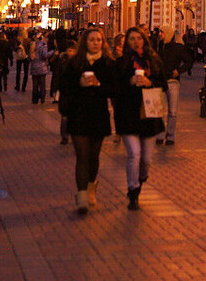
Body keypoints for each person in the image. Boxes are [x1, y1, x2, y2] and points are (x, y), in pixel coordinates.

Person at [58, 29, 114, 214]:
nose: (96, 43)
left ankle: (91, 187)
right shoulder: (75, 62)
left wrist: (99, 85)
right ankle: (82, 195)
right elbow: (64, 86)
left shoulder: (107, 63)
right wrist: (79, 84)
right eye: (92, 40)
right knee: (82, 156)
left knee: (93, 156)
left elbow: (114, 89)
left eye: (99, 40)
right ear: (85, 42)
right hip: (78, 115)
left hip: (98, 115)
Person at [113, 27, 166, 210]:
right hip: (128, 114)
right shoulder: (122, 62)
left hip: (149, 115)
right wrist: (129, 82)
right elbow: (115, 87)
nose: (136, 42)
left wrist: (150, 83)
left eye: (139, 38)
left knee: (146, 159)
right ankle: (133, 191)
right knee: (134, 154)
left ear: (144, 40)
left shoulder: (153, 61)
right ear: (127, 42)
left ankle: (141, 179)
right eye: (132, 39)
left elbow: (163, 84)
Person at [156, 25, 192, 145]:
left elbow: (189, 61)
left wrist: (179, 71)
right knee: (159, 110)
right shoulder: (157, 47)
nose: (160, 34)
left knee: (172, 111)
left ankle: (170, 136)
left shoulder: (177, 48)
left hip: (172, 82)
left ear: (168, 34)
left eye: (162, 32)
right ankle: (160, 135)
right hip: (159, 82)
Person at [29, 33, 52, 104]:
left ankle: (34, 99)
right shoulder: (43, 45)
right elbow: (45, 55)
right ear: (42, 38)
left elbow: (30, 57)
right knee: (42, 84)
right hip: (42, 67)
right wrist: (52, 52)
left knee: (35, 85)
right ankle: (42, 98)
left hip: (34, 67)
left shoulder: (32, 44)